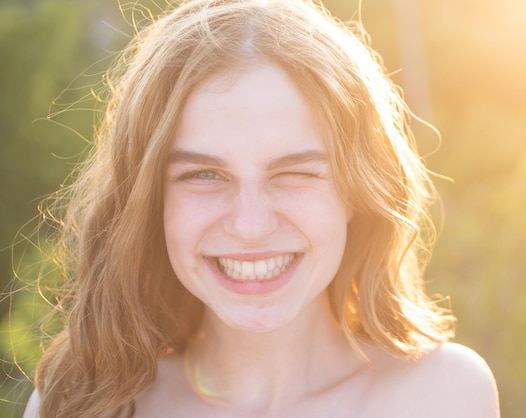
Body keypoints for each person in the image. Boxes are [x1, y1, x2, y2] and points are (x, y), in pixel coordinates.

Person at [24, 0, 499, 416]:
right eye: (204, 175)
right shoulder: (78, 404)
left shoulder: (442, 395)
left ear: (357, 189)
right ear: (150, 200)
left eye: (294, 174)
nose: (251, 226)